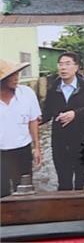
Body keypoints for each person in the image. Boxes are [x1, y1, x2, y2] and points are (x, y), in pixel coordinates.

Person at [40, 52, 84, 190]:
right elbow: (47, 112)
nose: (63, 68)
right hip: (60, 141)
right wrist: (35, 120)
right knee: (63, 182)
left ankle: (79, 208)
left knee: (79, 182)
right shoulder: (53, 88)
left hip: (82, 141)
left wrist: (75, 114)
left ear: (76, 67)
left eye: (67, 64)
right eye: (60, 64)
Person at [0, 58, 41, 197]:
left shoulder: (27, 93)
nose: (16, 78)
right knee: (2, 192)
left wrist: (37, 148)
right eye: (11, 75)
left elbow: (33, 121)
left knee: (25, 190)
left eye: (17, 73)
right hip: (1, 153)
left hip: (22, 150)